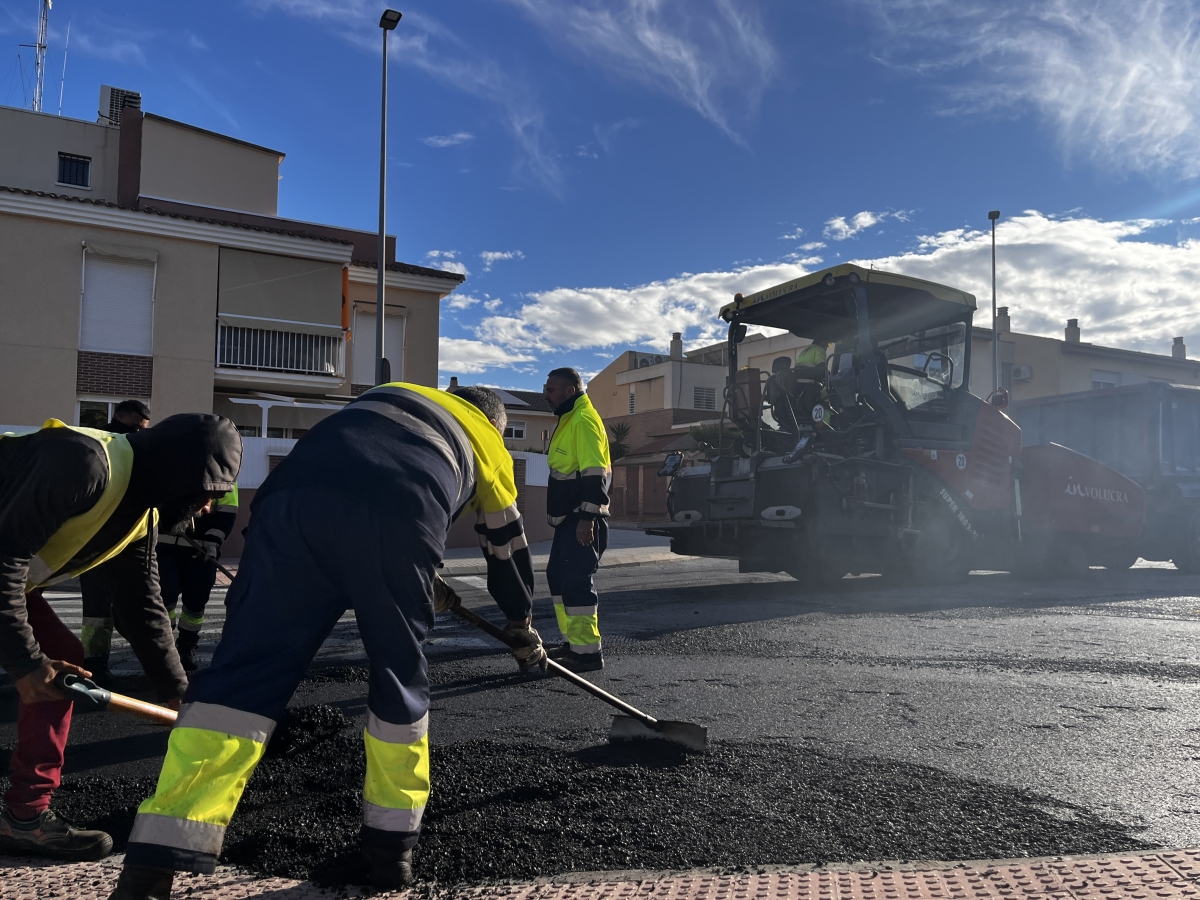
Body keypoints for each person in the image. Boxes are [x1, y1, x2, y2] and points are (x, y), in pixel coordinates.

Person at [110, 383, 545, 900]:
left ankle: (155, 858)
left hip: (287, 506)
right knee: (397, 675)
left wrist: (413, 566)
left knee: (239, 678)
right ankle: (390, 851)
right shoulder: (486, 441)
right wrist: (520, 624)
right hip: (399, 513)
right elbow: (506, 551)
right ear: (494, 423)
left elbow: (353, 476)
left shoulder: (389, 394)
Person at [0, 414, 241, 861]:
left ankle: (25, 816)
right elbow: (3, 558)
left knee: (60, 659)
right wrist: (25, 662)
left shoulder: (138, 513)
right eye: (205, 494)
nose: (207, 507)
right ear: (178, 475)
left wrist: (175, 692)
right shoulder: (85, 463)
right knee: (40, 663)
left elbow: (142, 606)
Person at [542, 367, 612, 673]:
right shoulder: (570, 419)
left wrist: (588, 518)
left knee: (575, 583)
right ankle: (573, 643)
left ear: (570, 391)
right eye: (546, 388)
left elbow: (594, 472)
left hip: (580, 521)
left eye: (552, 389)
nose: (547, 394)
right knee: (558, 578)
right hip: (568, 521)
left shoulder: (582, 421)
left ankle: (587, 655)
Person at [80, 399, 152, 684]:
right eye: (135, 425)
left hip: (98, 540)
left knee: (98, 608)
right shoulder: (123, 446)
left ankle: (95, 663)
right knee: (121, 604)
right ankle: (151, 662)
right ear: (121, 416)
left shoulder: (95, 443)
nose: (137, 432)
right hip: (110, 540)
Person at [156, 484, 239, 672]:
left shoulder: (225, 475)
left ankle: (186, 648)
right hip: (164, 546)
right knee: (164, 593)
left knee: (196, 602)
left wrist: (213, 542)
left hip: (200, 550)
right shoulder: (170, 461)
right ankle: (165, 647)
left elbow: (227, 512)